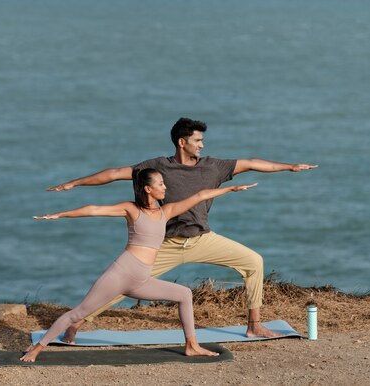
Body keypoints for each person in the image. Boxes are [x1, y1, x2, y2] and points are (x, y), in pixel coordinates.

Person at [47, 117, 318, 341]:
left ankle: (254, 324)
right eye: (197, 140)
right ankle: (77, 321)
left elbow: (252, 163)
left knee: (254, 262)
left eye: (202, 140)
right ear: (182, 142)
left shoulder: (214, 167)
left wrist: (289, 167)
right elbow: (113, 173)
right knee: (122, 285)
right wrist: (75, 183)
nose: (202, 145)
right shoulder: (156, 168)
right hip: (165, 244)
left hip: (203, 239)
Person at [20, 168, 257, 362]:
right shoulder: (132, 210)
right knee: (79, 313)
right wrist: (60, 215)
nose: (165, 187)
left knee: (184, 294)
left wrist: (231, 188)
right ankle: (37, 349)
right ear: (148, 188)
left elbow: (199, 196)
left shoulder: (166, 211)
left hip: (141, 278)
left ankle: (191, 345)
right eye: (161, 184)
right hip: (122, 272)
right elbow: (94, 210)